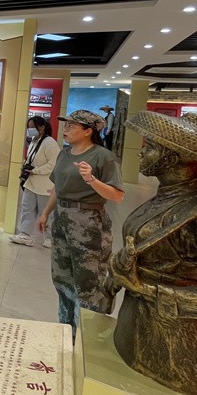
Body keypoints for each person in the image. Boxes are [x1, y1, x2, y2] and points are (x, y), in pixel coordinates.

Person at [108, 111, 197, 395]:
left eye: (150, 147)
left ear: (171, 157)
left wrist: (145, 288)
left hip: (178, 348)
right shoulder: (165, 198)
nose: (142, 152)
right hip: (134, 326)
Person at [37, 109, 124, 334]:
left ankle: (89, 335)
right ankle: (67, 330)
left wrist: (91, 179)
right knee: (62, 277)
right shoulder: (65, 154)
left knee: (89, 282)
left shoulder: (103, 157)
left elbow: (117, 195)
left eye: (71, 126)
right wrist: (46, 213)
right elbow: (58, 187)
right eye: (65, 125)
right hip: (62, 220)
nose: (65, 130)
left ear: (88, 131)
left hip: (89, 224)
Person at [10, 116, 60, 248]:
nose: (30, 129)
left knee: (45, 212)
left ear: (42, 127)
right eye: (29, 127)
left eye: (32, 127)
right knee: (27, 208)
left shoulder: (50, 142)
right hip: (31, 183)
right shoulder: (34, 140)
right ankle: (25, 234)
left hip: (44, 184)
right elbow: (31, 158)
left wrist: (36, 171)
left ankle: (49, 237)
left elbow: (53, 164)